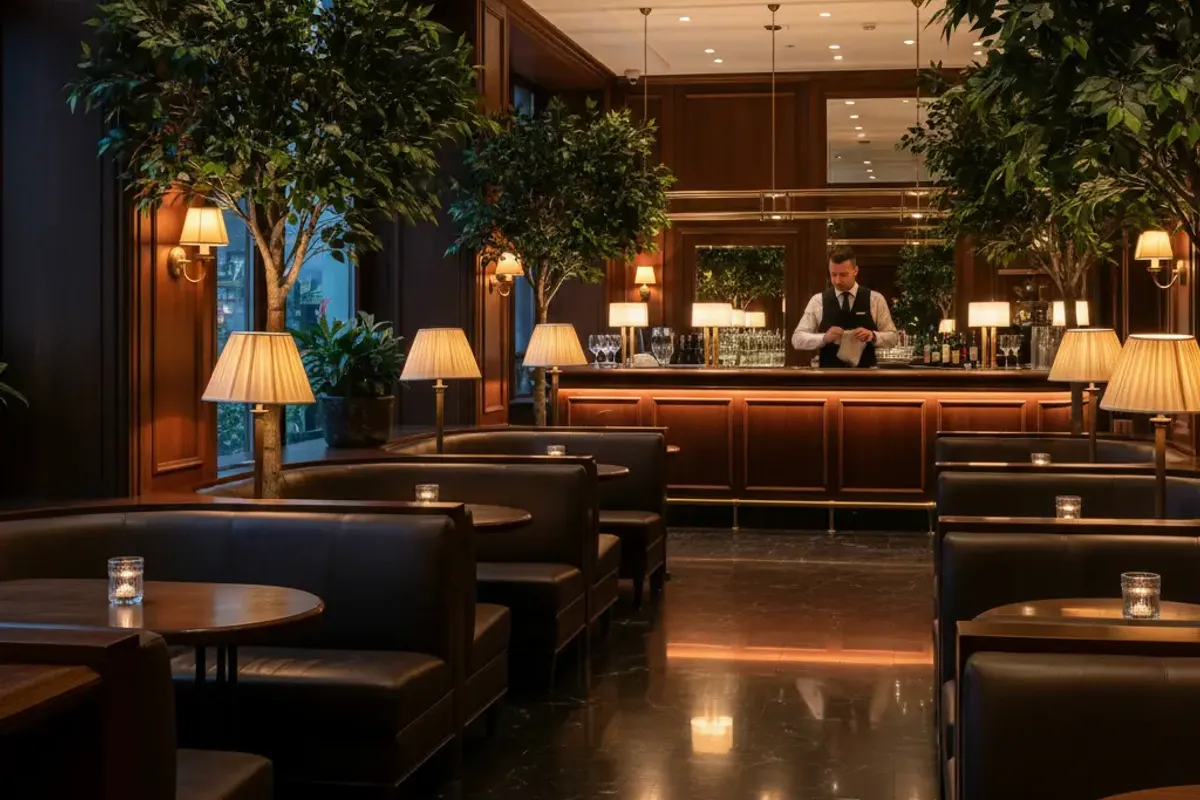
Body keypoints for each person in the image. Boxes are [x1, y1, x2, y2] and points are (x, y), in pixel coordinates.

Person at [791, 246, 898, 368]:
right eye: (833, 274)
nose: (837, 280)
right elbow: (797, 339)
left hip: (867, 378)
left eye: (843, 275)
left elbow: (893, 338)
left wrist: (873, 336)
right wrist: (824, 338)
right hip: (828, 378)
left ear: (855, 271)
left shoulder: (875, 299)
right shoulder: (817, 301)